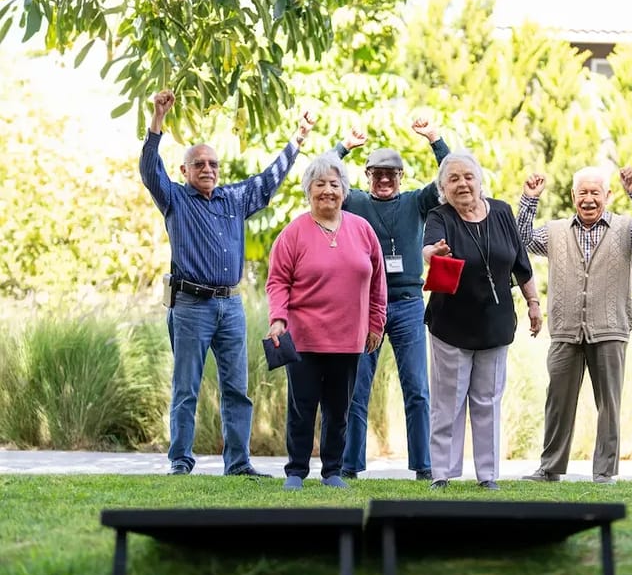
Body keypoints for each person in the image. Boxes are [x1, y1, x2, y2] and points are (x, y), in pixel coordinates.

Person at [139, 88, 314, 476]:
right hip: (190, 306)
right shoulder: (174, 199)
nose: (207, 169)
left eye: (213, 163)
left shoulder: (234, 199)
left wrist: (298, 139)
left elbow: (270, 178)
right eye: (198, 163)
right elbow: (150, 169)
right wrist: (157, 119)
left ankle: (238, 464)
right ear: (185, 171)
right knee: (186, 389)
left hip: (230, 306)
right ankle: (180, 463)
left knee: (237, 389)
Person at [516, 165, 632, 484]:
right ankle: (550, 468)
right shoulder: (555, 231)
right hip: (565, 330)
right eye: (582, 192)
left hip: (611, 329)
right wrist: (529, 200)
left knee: (609, 405)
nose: (588, 199)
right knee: (557, 403)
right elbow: (520, 240)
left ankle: (604, 472)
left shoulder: (628, 230)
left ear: (608, 196)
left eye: (595, 192)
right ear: (573, 196)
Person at [333, 119, 450, 481]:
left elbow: (450, 175)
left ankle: (424, 466)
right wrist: (343, 148)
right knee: (357, 388)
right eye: (378, 174)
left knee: (416, 387)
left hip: (408, 303)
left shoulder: (417, 201)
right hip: (365, 306)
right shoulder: (354, 202)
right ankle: (349, 466)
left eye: (392, 174)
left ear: (401, 176)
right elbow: (323, 177)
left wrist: (435, 139)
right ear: (366, 175)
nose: (385, 179)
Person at [422, 150, 543, 490]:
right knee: (448, 400)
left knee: (488, 400)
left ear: (479, 180)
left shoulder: (503, 212)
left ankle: (488, 475)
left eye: (468, 176)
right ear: (443, 187)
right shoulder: (440, 215)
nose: (462, 184)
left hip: (496, 322)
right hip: (451, 324)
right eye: (454, 179)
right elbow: (428, 249)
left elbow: (521, 264)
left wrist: (533, 302)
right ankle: (442, 474)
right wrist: (435, 254)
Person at [266, 152, 387, 491]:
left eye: (334, 184)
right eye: (320, 184)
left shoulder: (362, 230)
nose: (327, 190)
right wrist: (278, 319)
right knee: (302, 408)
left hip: (349, 338)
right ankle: (295, 472)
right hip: (303, 337)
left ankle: (332, 471)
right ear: (309, 190)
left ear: (344, 190)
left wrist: (376, 322)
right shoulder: (294, 233)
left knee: (339, 410)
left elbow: (377, 282)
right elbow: (277, 281)